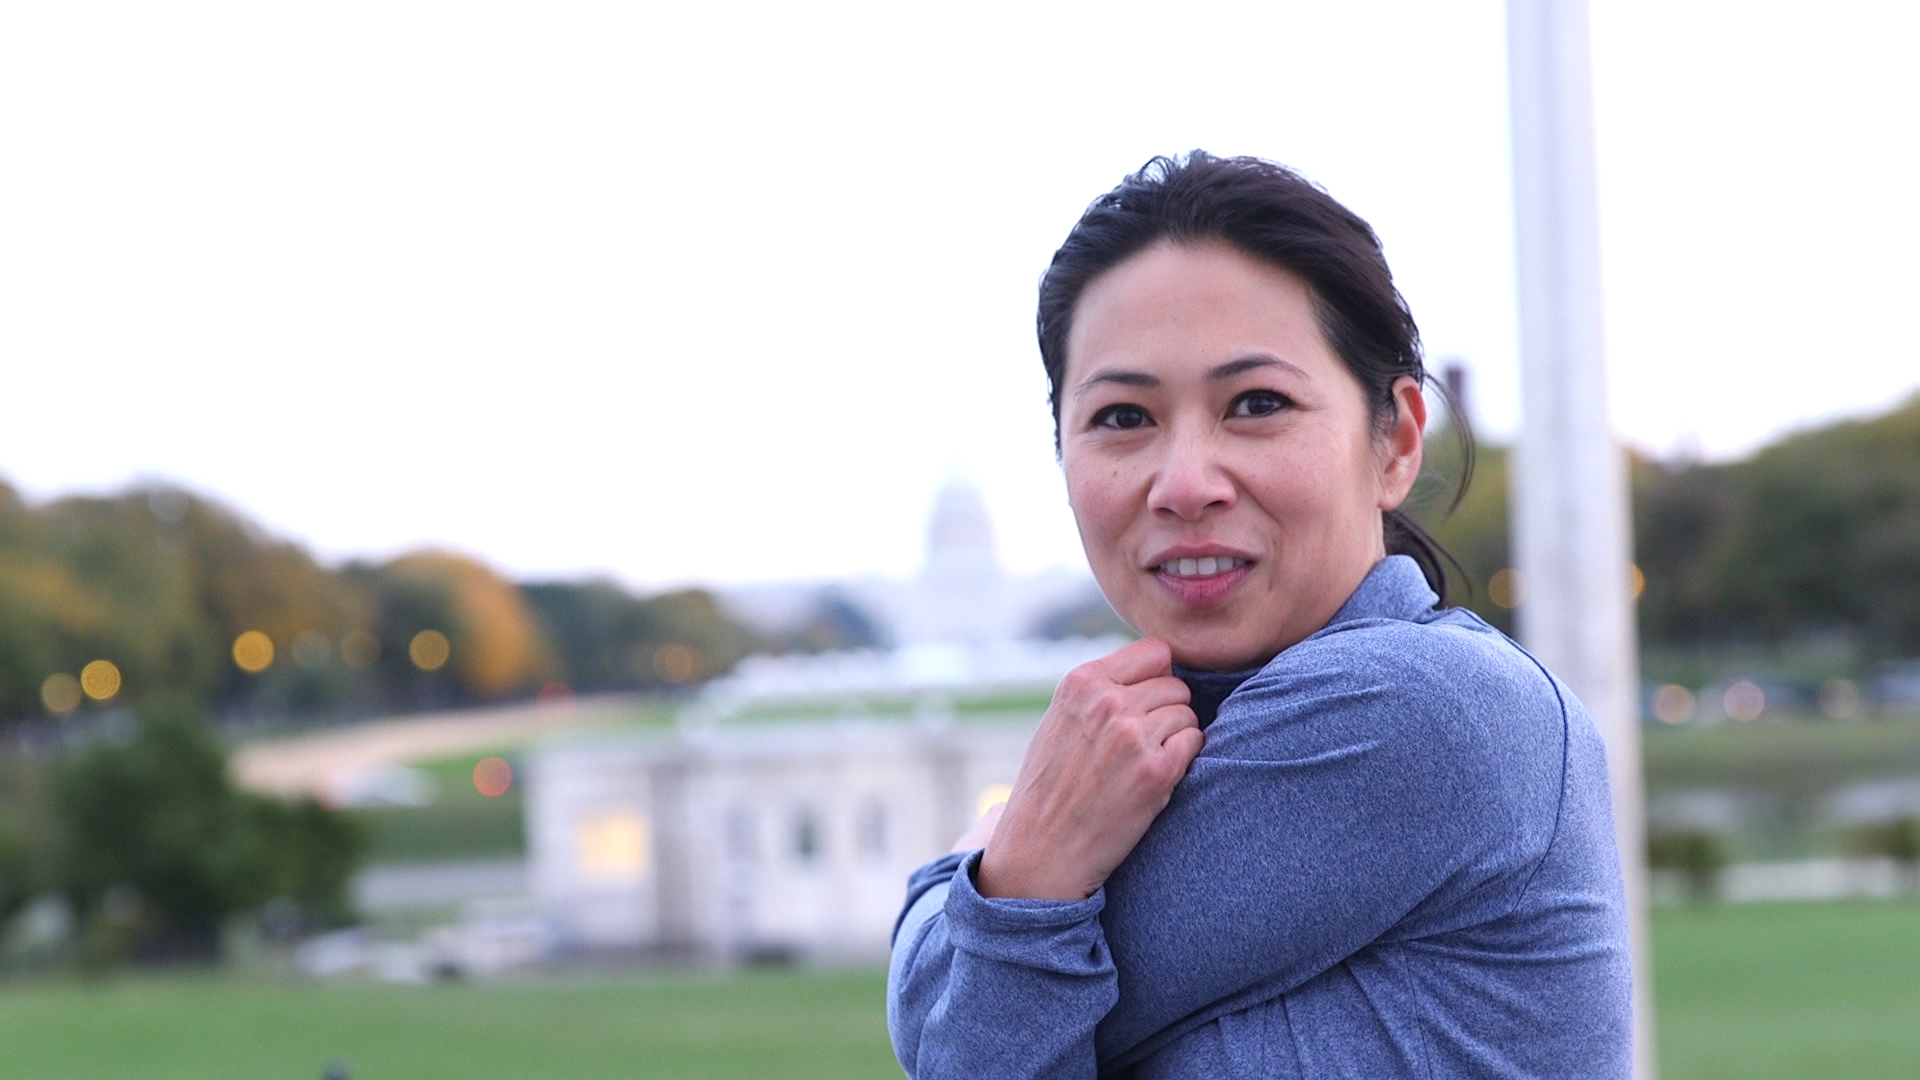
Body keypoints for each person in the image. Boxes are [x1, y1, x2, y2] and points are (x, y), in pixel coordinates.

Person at [886, 153, 1633, 1079]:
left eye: (1258, 404)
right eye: (1123, 417)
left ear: (1396, 441)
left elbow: (953, 1036)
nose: (1185, 484)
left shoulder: (1417, 709)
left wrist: (989, 870)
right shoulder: (1197, 720)